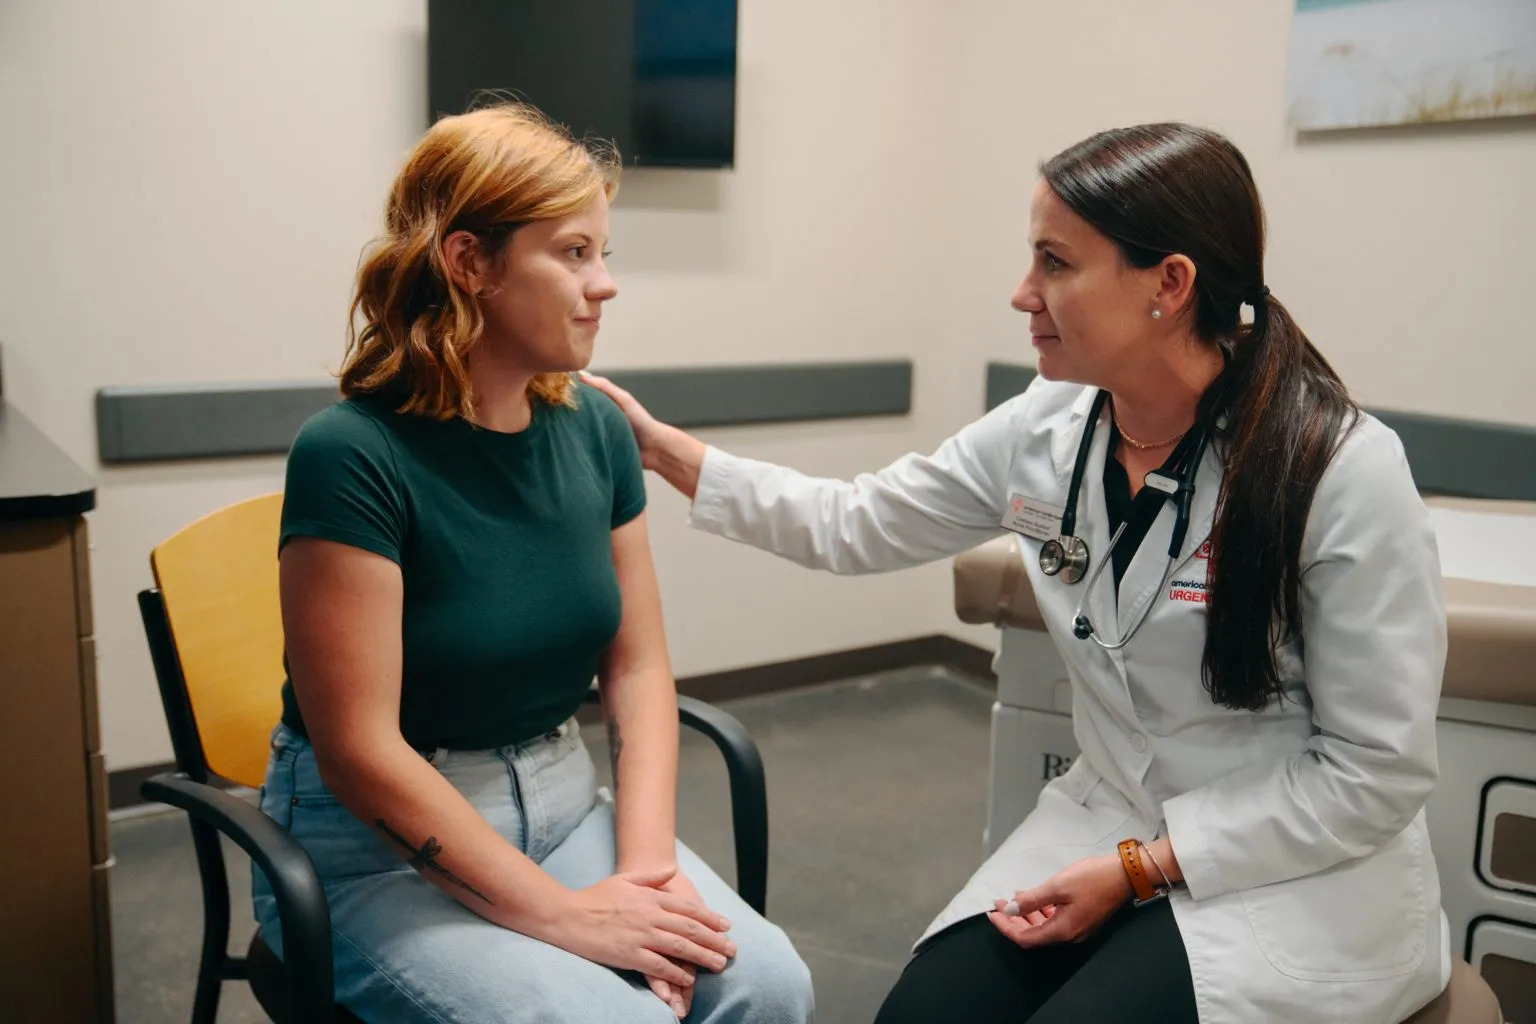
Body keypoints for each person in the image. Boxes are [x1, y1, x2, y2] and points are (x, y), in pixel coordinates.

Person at [582, 122, 1451, 1023]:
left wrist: (1142, 870)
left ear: (1170, 283)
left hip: (1294, 873)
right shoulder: (1049, 428)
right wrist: (662, 452)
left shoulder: (1339, 469)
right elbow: (856, 523)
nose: (1021, 294)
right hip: (1111, 817)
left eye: (1055, 264)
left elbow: (1374, 772)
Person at [251, 102, 814, 1024]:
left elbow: (636, 668)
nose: (606, 285)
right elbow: (358, 754)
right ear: (468, 262)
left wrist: (645, 877)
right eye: (575, 253)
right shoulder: (351, 452)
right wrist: (564, 919)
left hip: (562, 805)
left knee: (770, 985)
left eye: (605, 253)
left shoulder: (592, 427)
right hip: (375, 853)